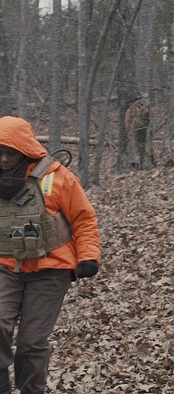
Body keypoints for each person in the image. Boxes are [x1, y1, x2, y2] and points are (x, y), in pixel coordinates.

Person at [0, 116, 101, 394]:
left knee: (32, 342)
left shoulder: (56, 177)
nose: (4, 159)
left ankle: (32, 390)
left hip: (50, 270)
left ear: (24, 150)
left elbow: (84, 219)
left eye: (10, 153)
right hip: (5, 266)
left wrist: (88, 256)